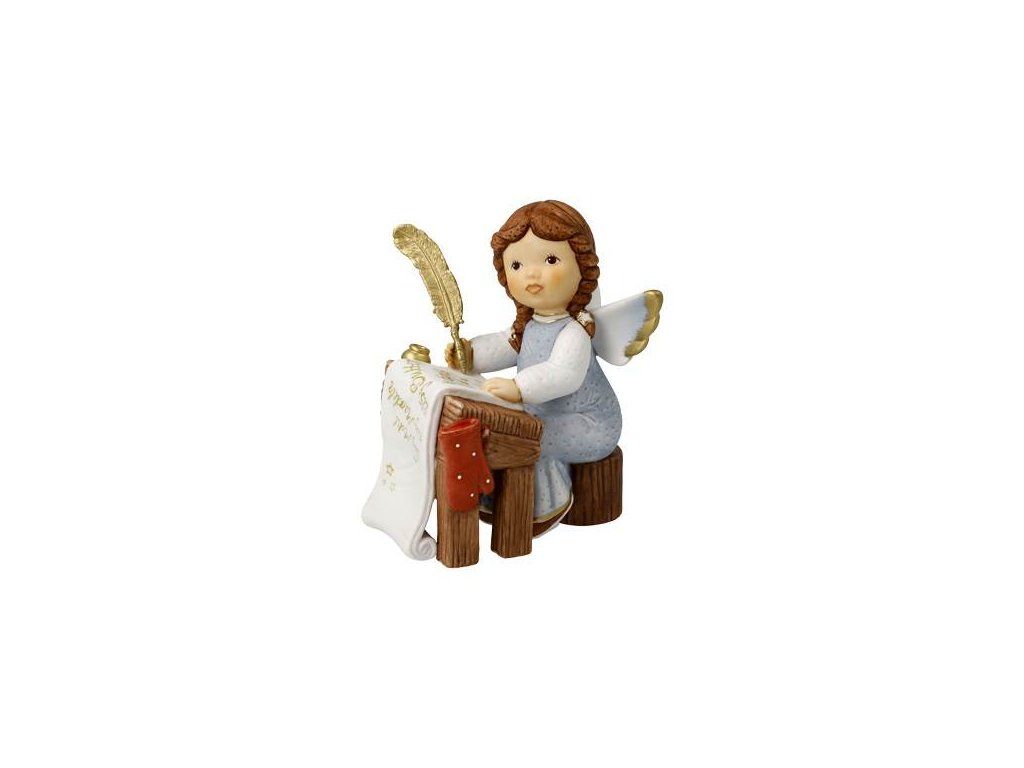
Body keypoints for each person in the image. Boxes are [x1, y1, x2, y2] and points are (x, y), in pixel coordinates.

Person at [446, 200, 622, 526]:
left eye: (550, 260)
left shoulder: (574, 332)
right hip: (542, 414)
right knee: (502, 432)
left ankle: (544, 504)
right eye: (516, 265)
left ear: (582, 267)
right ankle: (497, 493)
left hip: (588, 424)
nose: (531, 273)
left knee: (529, 439)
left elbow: (563, 374)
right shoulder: (528, 326)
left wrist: (519, 387)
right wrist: (470, 354)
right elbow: (505, 345)